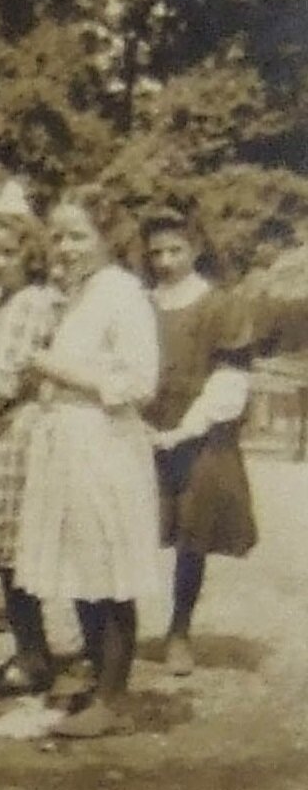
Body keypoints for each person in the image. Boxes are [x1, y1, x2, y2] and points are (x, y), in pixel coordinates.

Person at [16, 185, 161, 738]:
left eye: (79, 235)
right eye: (57, 237)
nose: (65, 247)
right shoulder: (77, 294)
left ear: (108, 237)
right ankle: (100, 684)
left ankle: (114, 699)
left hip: (105, 445)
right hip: (70, 444)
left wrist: (56, 369)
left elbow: (140, 382)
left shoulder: (122, 292)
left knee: (109, 568)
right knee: (80, 568)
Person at [141, 200, 257, 676]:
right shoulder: (140, 303)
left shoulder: (219, 305)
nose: (166, 261)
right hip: (145, 426)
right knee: (132, 522)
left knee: (192, 531)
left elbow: (230, 378)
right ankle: (113, 632)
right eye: (157, 253)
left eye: (176, 250)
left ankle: (179, 630)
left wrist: (185, 430)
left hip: (198, 431)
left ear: (195, 248)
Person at [0, 211, 61, 693]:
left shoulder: (34, 303)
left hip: (18, 429)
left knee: (10, 550)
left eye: (9, 252)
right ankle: (11, 651)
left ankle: (33, 655)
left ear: (30, 253)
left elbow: (10, 375)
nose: (0, 261)